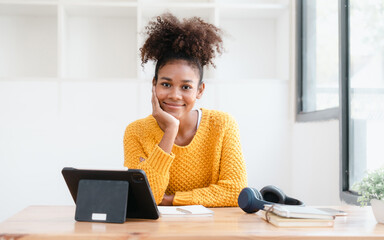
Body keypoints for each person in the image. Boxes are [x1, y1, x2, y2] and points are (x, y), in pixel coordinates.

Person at [123, 13, 247, 207]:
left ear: (200, 90)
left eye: (186, 87)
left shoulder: (222, 125)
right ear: (154, 84)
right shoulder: (136, 132)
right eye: (166, 84)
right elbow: (147, 198)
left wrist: (173, 199)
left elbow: (235, 191)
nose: (175, 95)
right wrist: (170, 130)